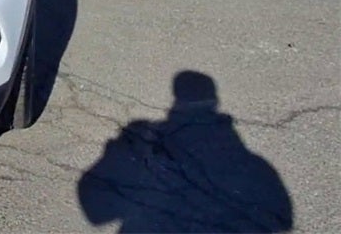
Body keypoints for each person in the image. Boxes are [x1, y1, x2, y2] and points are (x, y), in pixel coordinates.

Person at [78, 70, 293, 233]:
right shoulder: (256, 167)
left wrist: (113, 153)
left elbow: (96, 212)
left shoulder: (254, 166)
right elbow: (282, 220)